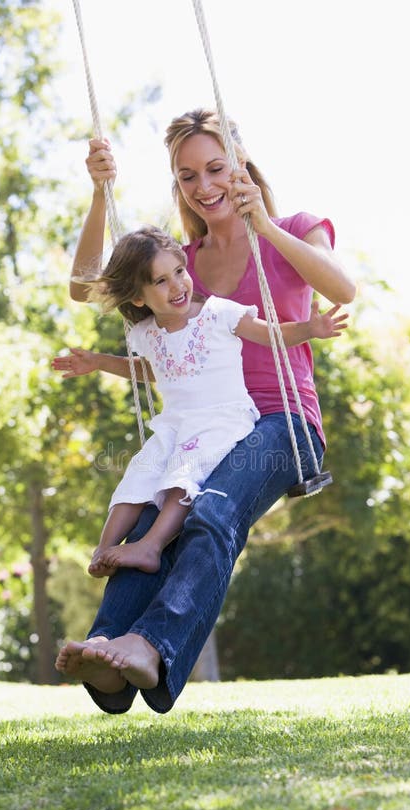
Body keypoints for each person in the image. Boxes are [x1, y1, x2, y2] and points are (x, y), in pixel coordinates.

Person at [55, 109, 356, 714]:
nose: (204, 185)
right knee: (147, 528)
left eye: (216, 168)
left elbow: (342, 289)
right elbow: (86, 287)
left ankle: (152, 645)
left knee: (209, 513)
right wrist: (98, 194)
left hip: (280, 425)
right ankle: (108, 652)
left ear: (241, 166)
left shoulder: (294, 227)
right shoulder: (179, 264)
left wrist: (263, 225)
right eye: (187, 175)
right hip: (200, 429)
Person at [54, 227, 348, 579]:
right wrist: (99, 361)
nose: (177, 286)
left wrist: (308, 329)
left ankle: (151, 545)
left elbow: (271, 334)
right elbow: (152, 370)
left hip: (222, 419)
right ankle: (103, 548)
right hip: (175, 424)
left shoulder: (217, 313)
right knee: (140, 474)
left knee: (184, 473)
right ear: (137, 298)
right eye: (161, 281)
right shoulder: (146, 332)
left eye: (179, 271)